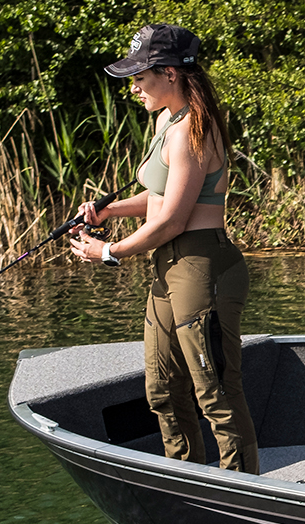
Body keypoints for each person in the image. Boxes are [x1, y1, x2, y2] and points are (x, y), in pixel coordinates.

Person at [69, 24, 259, 475]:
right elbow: (160, 197)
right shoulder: (166, 122)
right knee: (163, 389)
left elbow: (173, 219)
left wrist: (109, 252)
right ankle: (185, 478)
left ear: (170, 73)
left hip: (202, 266)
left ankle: (243, 490)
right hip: (168, 267)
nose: (133, 88)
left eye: (139, 77)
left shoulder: (193, 129)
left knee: (215, 391)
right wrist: (109, 209)